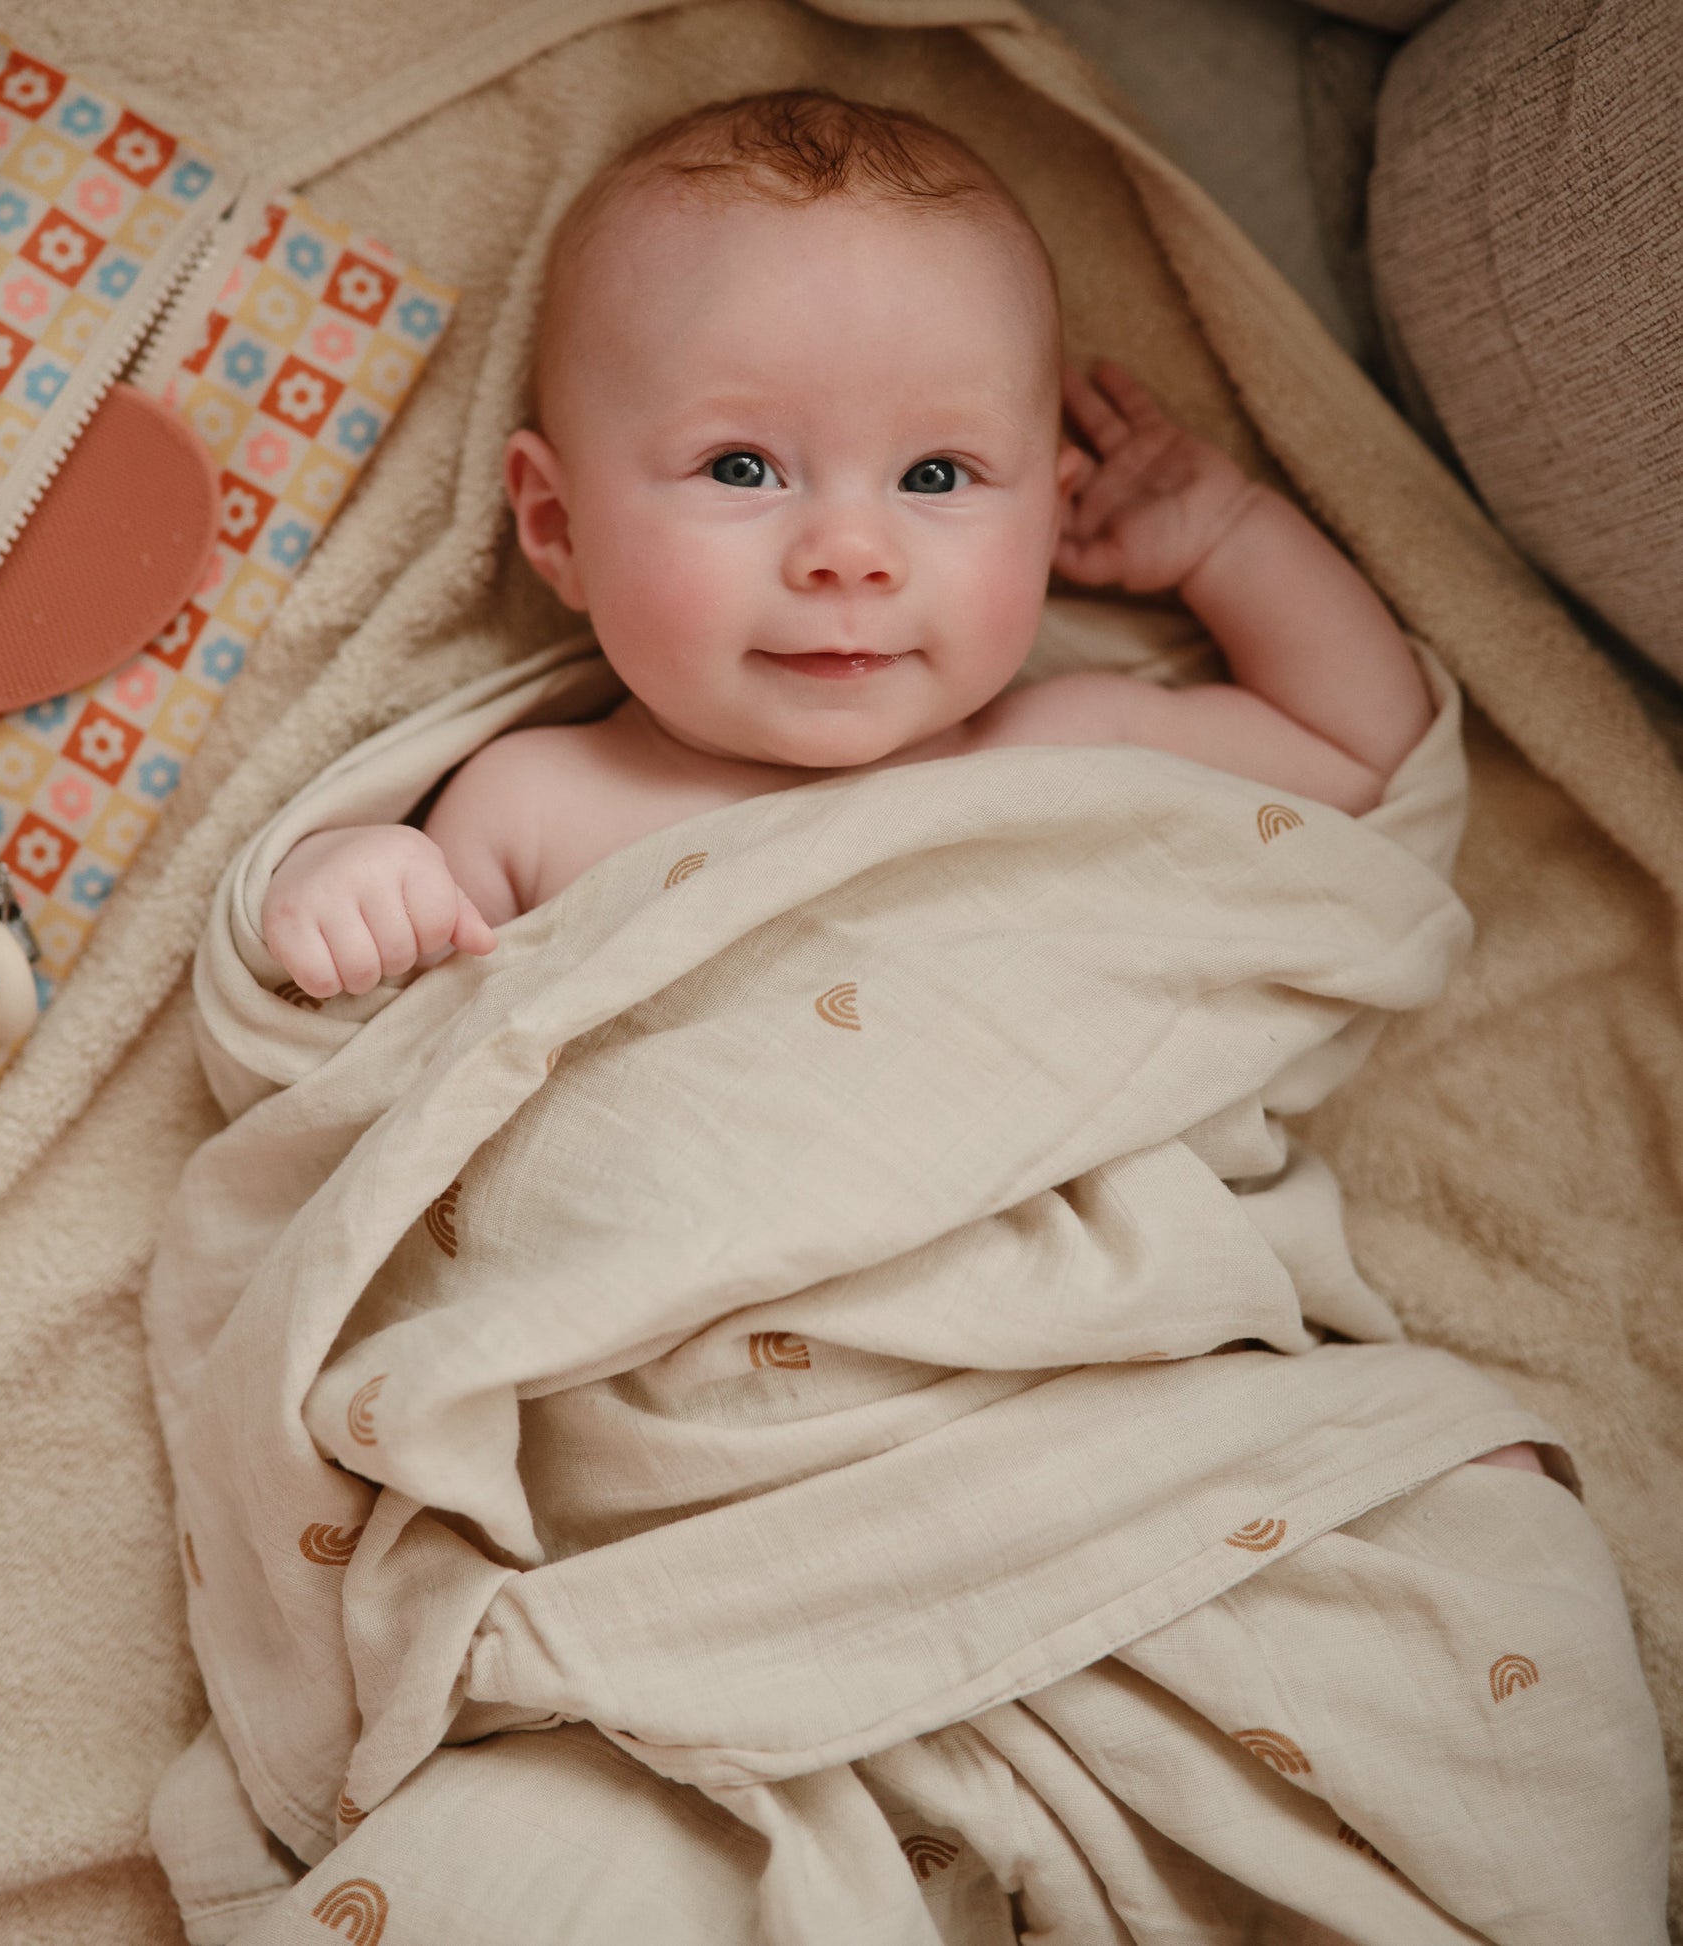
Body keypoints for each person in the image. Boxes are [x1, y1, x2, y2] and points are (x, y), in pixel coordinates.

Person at [260, 89, 1542, 1491]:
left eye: (935, 472)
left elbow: (1364, 752)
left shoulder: (1073, 747)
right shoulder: (536, 796)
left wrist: (1226, 534)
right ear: (558, 526)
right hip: (734, 1431)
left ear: (1047, 517)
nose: (849, 550)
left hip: (1111, 1390)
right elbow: (384, 1065)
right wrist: (347, 880)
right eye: (742, 466)